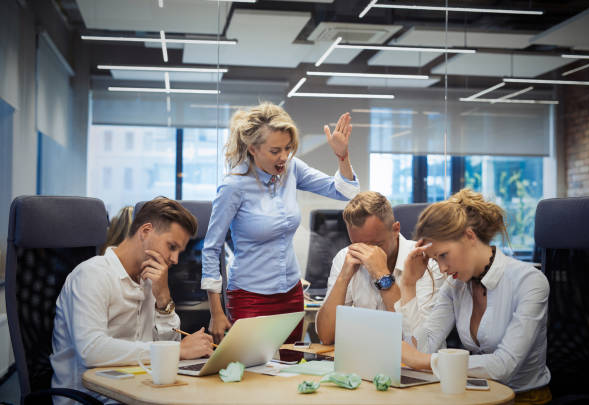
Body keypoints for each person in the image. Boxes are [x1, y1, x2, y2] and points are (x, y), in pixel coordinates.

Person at [201, 102, 360, 343]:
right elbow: (211, 249)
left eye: (288, 148)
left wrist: (342, 156)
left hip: (291, 294)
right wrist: (216, 312)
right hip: (249, 296)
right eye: (275, 151)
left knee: (290, 368)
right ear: (253, 149)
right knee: (254, 373)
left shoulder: (291, 169)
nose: (284, 157)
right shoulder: (233, 186)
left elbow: (344, 191)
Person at [51, 197, 214, 404]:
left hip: (137, 392)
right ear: (145, 231)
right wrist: (178, 351)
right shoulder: (92, 275)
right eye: (171, 246)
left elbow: (165, 351)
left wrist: (164, 300)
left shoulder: (149, 280)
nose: (175, 259)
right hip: (89, 398)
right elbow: (91, 351)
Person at [400, 189, 551, 404]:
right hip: (473, 395)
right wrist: (408, 285)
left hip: (524, 399)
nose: (442, 268)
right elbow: (422, 347)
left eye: (443, 255)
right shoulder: (455, 285)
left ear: (469, 236)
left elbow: (504, 366)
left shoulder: (529, 281)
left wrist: (425, 360)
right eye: (435, 260)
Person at [316, 191, 444, 345]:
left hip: (413, 365)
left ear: (396, 229)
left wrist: (382, 275)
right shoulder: (345, 257)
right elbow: (326, 336)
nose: (368, 255)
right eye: (359, 245)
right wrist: (343, 278)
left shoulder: (426, 262)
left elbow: (420, 342)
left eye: (376, 245)